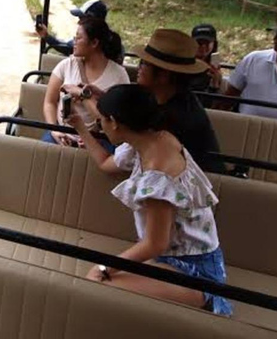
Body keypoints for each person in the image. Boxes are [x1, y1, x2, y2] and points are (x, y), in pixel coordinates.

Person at [67, 84, 232, 316]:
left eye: (102, 121)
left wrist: (103, 266)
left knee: (97, 283)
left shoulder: (157, 176)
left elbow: (155, 243)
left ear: (115, 122)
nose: (101, 126)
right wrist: (81, 128)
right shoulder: (158, 138)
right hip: (171, 259)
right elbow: (106, 163)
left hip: (195, 274)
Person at [133, 29, 225, 174]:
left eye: (144, 63)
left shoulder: (177, 117)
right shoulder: (166, 98)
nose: (139, 68)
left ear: (164, 75)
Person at [42, 16, 129, 147]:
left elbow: (119, 121)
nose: (74, 41)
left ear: (94, 43)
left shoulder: (119, 75)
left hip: (100, 138)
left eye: (79, 37)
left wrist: (91, 140)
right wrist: (54, 129)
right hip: (63, 133)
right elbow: (50, 101)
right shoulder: (66, 65)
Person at [36, 0, 124, 62]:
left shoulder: (87, 42)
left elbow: (66, 47)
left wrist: (47, 36)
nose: (79, 21)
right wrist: (46, 36)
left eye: (82, 18)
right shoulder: (114, 42)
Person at [190, 24, 225, 94]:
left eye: (207, 43)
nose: (203, 46)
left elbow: (214, 101)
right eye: (199, 43)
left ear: (214, 44)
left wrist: (215, 83)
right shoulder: (184, 63)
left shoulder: (214, 68)